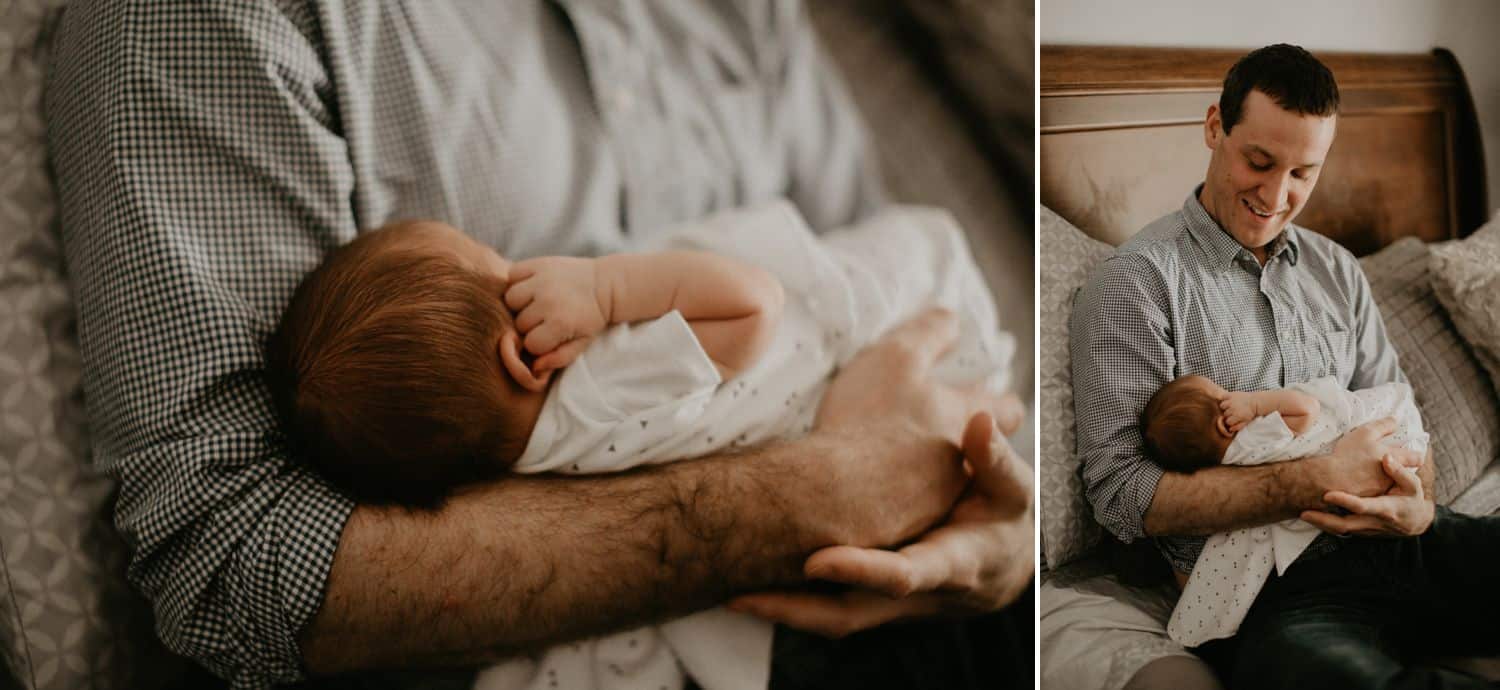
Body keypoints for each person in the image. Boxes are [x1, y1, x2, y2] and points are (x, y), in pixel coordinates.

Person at [45, 2, 1033, 689]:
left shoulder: (738, 10)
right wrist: (830, 493)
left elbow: (888, 278)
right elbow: (237, 561)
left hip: (942, 581)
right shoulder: (210, 16)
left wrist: (1003, 535)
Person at [267, 202, 1015, 690]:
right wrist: (606, 289)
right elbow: (756, 307)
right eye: (496, 264)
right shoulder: (598, 386)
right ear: (522, 355)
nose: (521, 259)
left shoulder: (515, 470)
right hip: (897, 377)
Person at [1069, 43, 1500, 688]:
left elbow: (1399, 410)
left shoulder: (1338, 270)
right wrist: (1316, 477)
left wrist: (1419, 505)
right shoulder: (1139, 282)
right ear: (1216, 127)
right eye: (1259, 162)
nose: (1276, 195)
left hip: (1407, 540)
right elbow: (1120, 493)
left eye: (1303, 173)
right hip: (1278, 595)